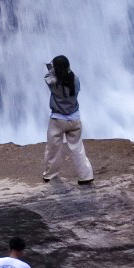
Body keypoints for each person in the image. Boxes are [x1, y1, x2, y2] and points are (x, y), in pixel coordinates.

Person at [43, 55, 94, 184]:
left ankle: (50, 174)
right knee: (77, 148)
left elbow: (48, 77)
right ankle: (86, 175)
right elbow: (68, 75)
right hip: (75, 119)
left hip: (57, 120)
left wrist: (51, 68)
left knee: (53, 149)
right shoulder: (75, 80)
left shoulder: (53, 82)